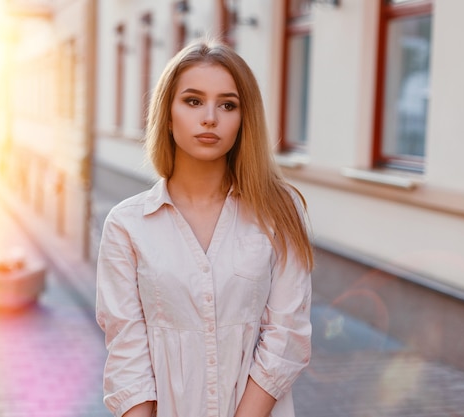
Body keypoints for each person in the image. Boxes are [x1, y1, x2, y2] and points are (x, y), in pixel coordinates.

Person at [95, 37, 314, 417]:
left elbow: (287, 338)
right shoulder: (127, 226)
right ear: (167, 113)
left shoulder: (279, 211)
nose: (210, 117)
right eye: (193, 101)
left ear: (245, 119)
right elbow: (127, 354)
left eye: (227, 105)